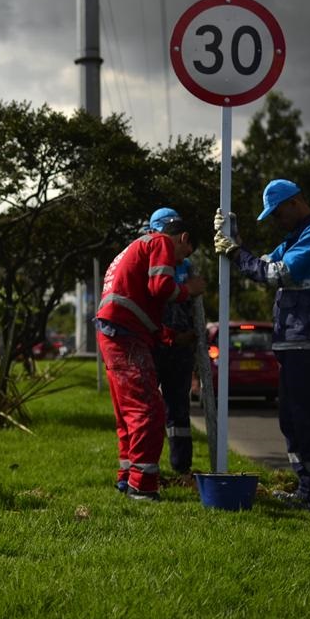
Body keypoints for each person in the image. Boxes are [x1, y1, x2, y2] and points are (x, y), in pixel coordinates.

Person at [214, 179, 310, 514]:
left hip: (308, 339)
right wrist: (237, 242)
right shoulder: (294, 239)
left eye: (277, 213)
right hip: (294, 339)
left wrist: (235, 252)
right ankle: (306, 488)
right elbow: (262, 262)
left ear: (295, 203)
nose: (276, 221)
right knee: (292, 418)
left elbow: (276, 273)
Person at [96, 213, 206, 501]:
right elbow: (161, 289)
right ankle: (142, 486)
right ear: (183, 239)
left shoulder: (137, 247)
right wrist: (189, 289)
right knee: (148, 410)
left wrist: (170, 337)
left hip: (115, 333)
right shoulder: (161, 243)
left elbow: (142, 304)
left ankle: (126, 477)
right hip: (124, 336)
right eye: (185, 254)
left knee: (127, 412)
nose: (179, 262)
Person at [145, 208, 197, 476]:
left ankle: (181, 467)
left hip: (181, 348)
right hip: (154, 344)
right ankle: (146, 468)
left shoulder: (186, 266)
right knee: (148, 407)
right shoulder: (147, 259)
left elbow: (194, 307)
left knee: (179, 409)